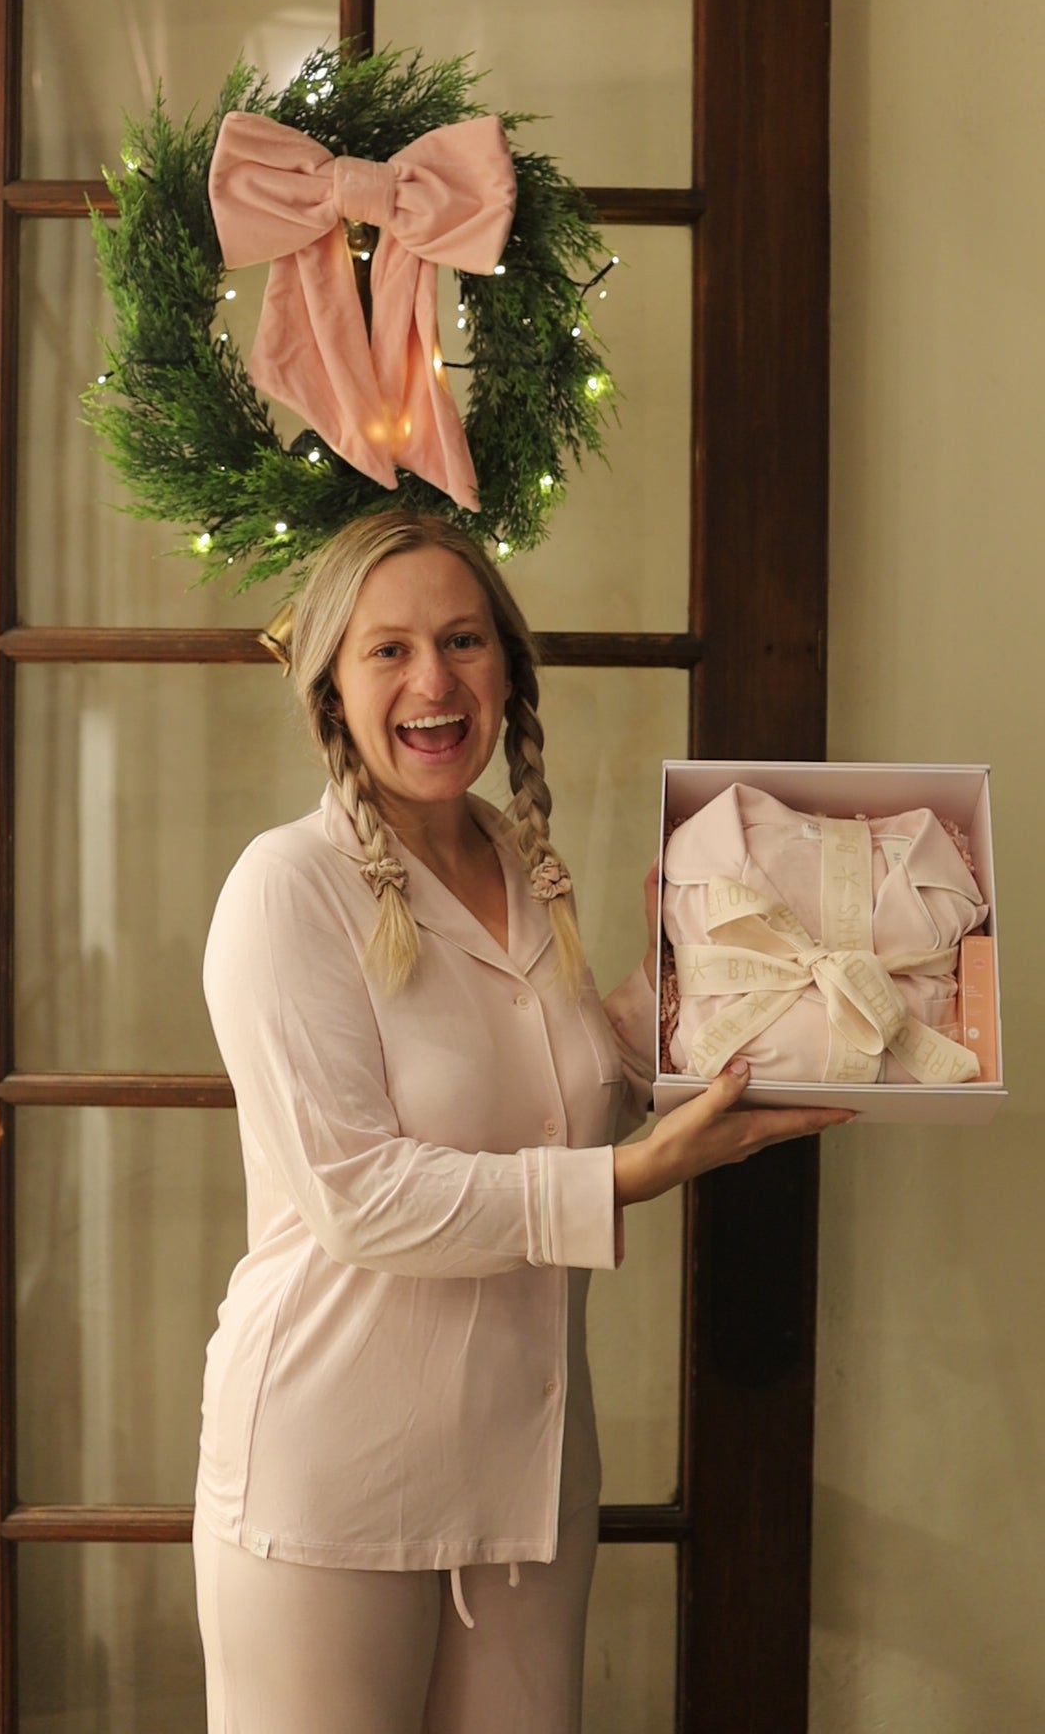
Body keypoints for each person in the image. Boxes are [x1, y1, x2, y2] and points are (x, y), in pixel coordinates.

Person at [192, 509, 852, 1733]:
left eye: (462, 640)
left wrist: (693, 973)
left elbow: (567, 1088)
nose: (433, 682)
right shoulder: (285, 889)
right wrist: (629, 1179)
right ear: (331, 686)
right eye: (389, 651)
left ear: (507, 667)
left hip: (527, 1471)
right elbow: (359, 1199)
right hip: (333, 1477)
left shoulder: (517, 860)